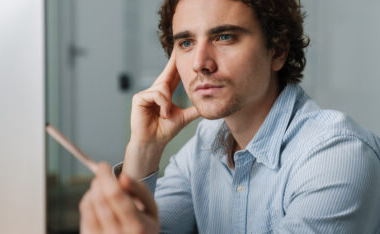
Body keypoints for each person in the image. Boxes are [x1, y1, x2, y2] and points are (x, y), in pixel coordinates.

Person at [79, 0, 380, 233]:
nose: (200, 64)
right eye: (185, 43)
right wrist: (144, 148)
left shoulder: (337, 153)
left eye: (224, 37)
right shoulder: (204, 147)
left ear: (277, 51)